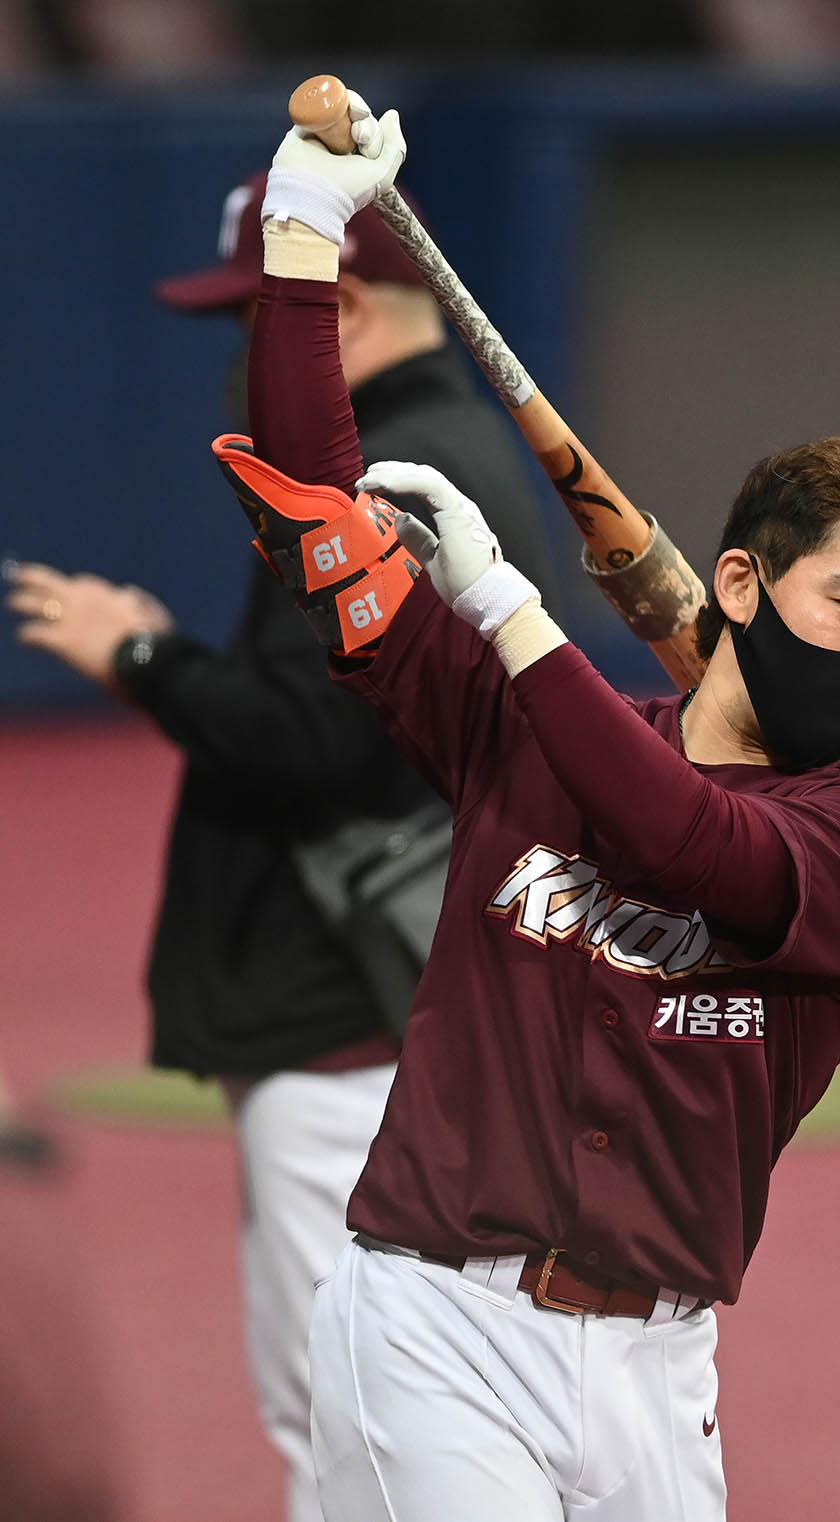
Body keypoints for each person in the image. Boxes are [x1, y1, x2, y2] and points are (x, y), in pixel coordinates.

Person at [216, 95, 840, 1521]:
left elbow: (688, 843)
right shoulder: (522, 729)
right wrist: (305, 229)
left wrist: (506, 605)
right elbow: (314, 516)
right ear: (739, 585)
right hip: (438, 1331)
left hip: (660, 1375)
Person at [5, 163, 555, 1522]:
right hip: (402, 998)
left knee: (351, 1424)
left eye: (260, 316)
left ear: (342, 308)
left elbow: (313, 740)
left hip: (346, 1012)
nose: (247, 355)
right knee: (409, 1411)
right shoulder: (456, 447)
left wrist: (141, 659)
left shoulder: (392, 472)